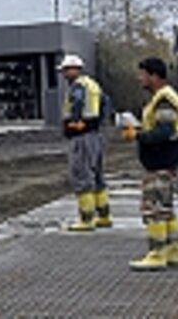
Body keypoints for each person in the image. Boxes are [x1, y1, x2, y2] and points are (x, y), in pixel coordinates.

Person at [123, 56, 178, 271]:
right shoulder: (164, 97)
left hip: (161, 161)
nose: (139, 78)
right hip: (168, 160)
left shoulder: (163, 99)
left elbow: (164, 131)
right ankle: (174, 250)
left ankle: (157, 253)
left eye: (142, 74)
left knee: (153, 209)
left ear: (154, 76)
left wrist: (138, 135)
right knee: (166, 208)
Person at [59, 54, 112, 232]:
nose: (64, 74)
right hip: (95, 134)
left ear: (75, 69)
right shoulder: (93, 84)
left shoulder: (78, 86)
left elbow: (77, 103)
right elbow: (106, 102)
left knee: (81, 174)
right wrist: (99, 122)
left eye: (66, 70)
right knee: (97, 175)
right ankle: (103, 215)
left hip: (81, 135)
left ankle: (86, 218)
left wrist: (74, 122)